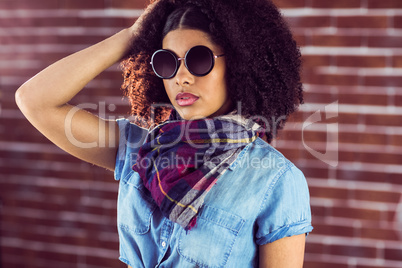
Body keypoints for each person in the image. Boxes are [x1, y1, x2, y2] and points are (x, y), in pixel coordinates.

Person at [15, 0, 313, 267]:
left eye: (199, 60)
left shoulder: (276, 180)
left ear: (239, 64)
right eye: (167, 62)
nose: (181, 77)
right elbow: (35, 100)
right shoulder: (139, 150)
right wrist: (134, 35)